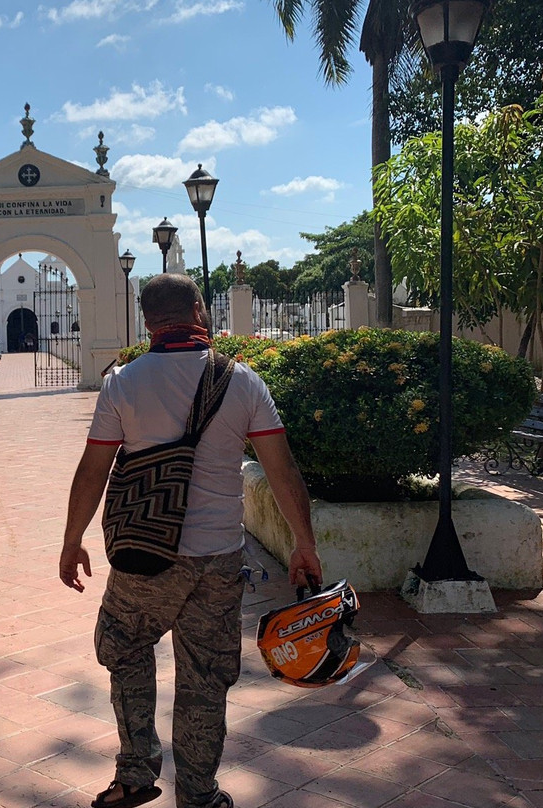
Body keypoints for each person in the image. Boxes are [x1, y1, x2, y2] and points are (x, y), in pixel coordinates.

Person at [58, 273, 322, 808]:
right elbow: (281, 469)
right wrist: (304, 545)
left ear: (147, 320)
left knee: (126, 648)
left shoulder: (123, 383)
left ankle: (135, 772)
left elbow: (93, 469)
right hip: (219, 559)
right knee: (205, 675)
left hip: (144, 556)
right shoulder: (243, 382)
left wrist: (72, 539)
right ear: (200, 310)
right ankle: (199, 795)